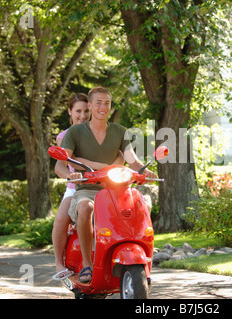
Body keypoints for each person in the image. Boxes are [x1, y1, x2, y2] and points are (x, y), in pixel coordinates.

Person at [55, 87, 157, 283]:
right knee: (85, 207)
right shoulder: (75, 132)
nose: (103, 107)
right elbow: (60, 165)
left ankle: (141, 263)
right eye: (98, 103)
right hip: (87, 190)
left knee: (142, 203)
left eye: (107, 103)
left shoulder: (119, 131)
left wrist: (145, 171)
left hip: (116, 190)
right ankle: (87, 264)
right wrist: (70, 176)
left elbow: (133, 161)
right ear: (90, 105)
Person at [51, 93, 124, 281]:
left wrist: (114, 167)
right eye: (77, 111)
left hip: (106, 184)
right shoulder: (65, 136)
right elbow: (65, 164)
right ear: (69, 112)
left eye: (85, 110)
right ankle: (59, 263)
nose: (82, 115)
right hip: (77, 187)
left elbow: (122, 156)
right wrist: (71, 176)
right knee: (61, 220)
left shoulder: (102, 132)